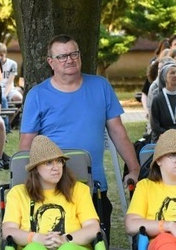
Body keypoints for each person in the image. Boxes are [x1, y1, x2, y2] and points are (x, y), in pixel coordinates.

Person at [20, 35, 140, 239]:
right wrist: (23, 181)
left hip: (95, 185)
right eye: (62, 56)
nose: (69, 59)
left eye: (74, 54)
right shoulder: (37, 95)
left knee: (97, 241)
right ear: (51, 62)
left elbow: (118, 132)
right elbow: (26, 143)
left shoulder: (100, 86)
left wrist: (135, 168)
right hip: (52, 185)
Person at [150, 61, 176, 142]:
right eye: (172, 73)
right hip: (162, 137)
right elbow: (154, 123)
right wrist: (168, 135)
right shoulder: (158, 99)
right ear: (164, 77)